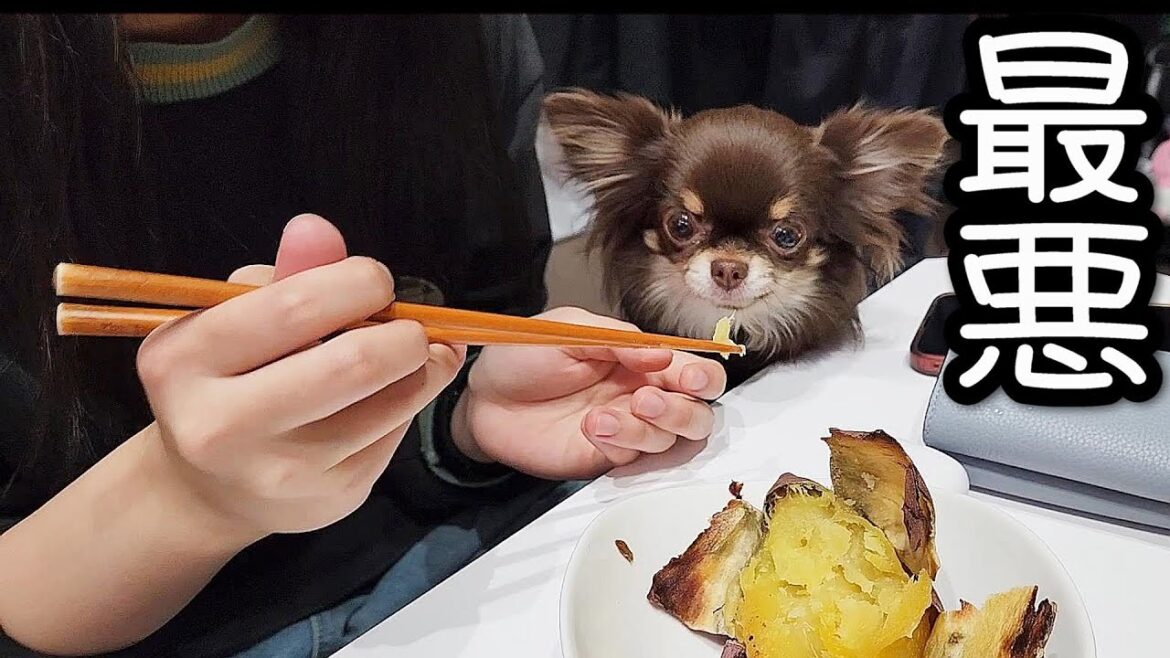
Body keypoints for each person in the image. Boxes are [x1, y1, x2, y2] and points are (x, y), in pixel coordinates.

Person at [0, 14, 727, 657]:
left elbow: (475, 316)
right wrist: (185, 499)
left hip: (481, 558)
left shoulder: (458, 39)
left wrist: (468, 419)